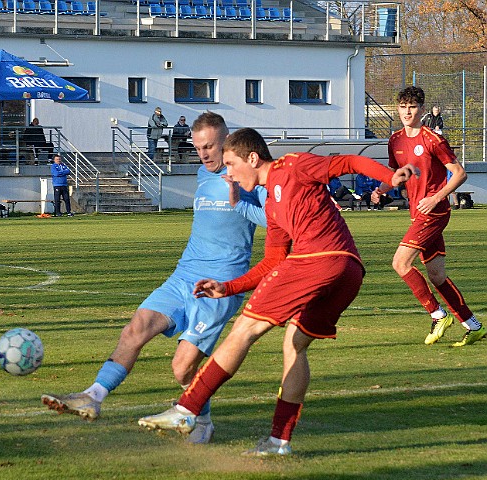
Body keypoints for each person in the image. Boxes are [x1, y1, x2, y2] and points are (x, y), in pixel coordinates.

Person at [137, 127, 415, 455]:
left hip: (317, 260)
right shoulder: (271, 207)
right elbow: (272, 262)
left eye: (230, 163)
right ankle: (278, 441)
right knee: (294, 345)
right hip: (348, 272)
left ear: (253, 158)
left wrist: (390, 175)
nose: (227, 172)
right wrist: (227, 287)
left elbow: (350, 160)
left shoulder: (294, 165)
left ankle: (187, 410)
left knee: (244, 329)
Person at [41, 112, 268, 444]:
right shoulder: (202, 175)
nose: (203, 154)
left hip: (219, 287)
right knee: (136, 328)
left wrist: (240, 198)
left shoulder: (246, 178)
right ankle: (93, 396)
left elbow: (272, 217)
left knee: (182, 369)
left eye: (209, 147)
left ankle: (201, 419)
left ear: (226, 143)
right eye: (198, 147)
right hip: (183, 276)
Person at [373, 86, 485, 347]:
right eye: (402, 107)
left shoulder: (432, 139)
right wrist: (381, 189)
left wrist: (436, 197)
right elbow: (397, 174)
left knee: (400, 263)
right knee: (436, 275)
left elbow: (460, 173)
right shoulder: (395, 140)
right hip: (417, 213)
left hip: (435, 212)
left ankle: (438, 315)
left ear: (422, 110)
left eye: (412, 107)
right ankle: (473, 325)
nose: (407, 111)